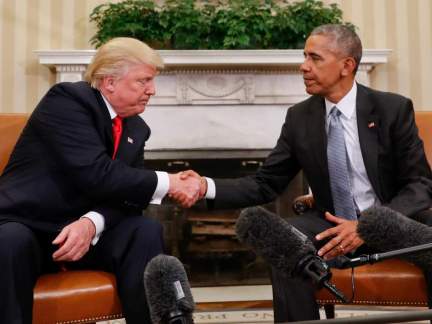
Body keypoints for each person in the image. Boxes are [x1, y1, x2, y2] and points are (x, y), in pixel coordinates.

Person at [175, 24, 432, 321]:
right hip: (330, 226)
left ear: (347, 65)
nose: (303, 66)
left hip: (393, 220)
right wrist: (205, 186)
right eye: (304, 57)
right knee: (285, 242)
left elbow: (420, 184)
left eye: (315, 58)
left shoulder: (391, 109)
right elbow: (266, 184)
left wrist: (367, 226)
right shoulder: (300, 118)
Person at [0, 37, 200, 324]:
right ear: (109, 82)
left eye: (152, 82)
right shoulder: (67, 101)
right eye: (143, 81)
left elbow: (128, 198)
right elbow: (96, 173)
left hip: (82, 236)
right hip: (29, 225)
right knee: (9, 240)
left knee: (144, 230)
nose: (152, 91)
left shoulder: (136, 128)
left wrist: (91, 223)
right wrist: (170, 182)